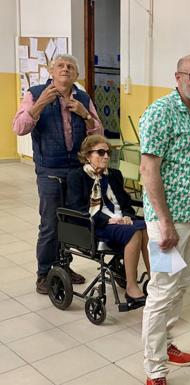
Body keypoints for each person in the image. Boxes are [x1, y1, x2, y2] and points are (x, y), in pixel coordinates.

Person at [139, 54, 190, 385]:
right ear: (178, 77)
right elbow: (148, 169)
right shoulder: (161, 112)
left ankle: (167, 344)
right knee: (161, 291)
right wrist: (165, 223)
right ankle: (154, 369)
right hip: (167, 223)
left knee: (181, 285)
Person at [13, 54, 103, 294]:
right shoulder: (35, 93)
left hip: (76, 171)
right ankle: (44, 273)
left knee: (72, 221)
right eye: (61, 66)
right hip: (49, 171)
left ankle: (64, 266)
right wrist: (40, 104)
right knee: (51, 224)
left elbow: (98, 132)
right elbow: (19, 128)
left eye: (71, 67)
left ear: (77, 74)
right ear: (51, 72)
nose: (66, 69)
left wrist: (85, 114)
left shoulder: (83, 97)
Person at [65, 135, 149, 307]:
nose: (106, 156)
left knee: (147, 228)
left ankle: (155, 279)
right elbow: (78, 208)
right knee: (134, 232)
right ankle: (132, 288)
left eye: (108, 153)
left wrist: (126, 215)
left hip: (121, 220)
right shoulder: (77, 176)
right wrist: (108, 220)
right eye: (100, 152)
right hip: (96, 224)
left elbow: (125, 202)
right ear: (87, 156)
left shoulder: (114, 175)